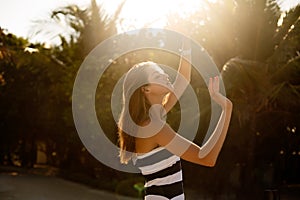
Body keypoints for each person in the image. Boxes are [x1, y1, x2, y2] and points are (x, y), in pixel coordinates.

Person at [117, 38, 233, 200]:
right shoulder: (153, 127)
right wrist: (227, 110)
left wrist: (186, 45)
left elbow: (184, 78)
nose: (165, 75)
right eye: (157, 75)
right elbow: (207, 158)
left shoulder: (154, 116)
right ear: (146, 89)